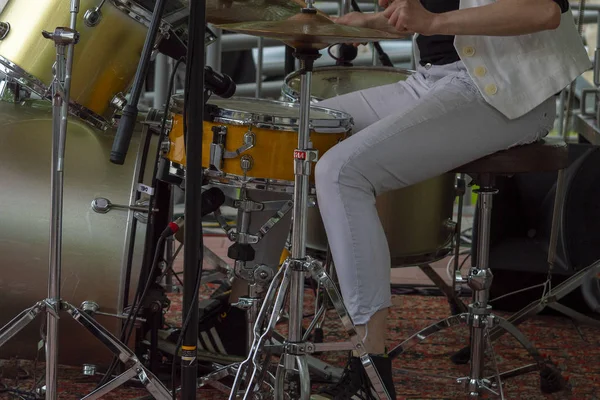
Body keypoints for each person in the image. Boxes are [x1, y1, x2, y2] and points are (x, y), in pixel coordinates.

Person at [311, 0, 590, 398]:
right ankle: (241, 311)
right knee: (295, 127)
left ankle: (369, 372)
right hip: (429, 81)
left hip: (502, 92)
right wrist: (367, 24)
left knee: (341, 172)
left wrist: (432, 19)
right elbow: (429, 20)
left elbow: (543, 11)